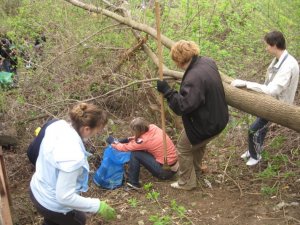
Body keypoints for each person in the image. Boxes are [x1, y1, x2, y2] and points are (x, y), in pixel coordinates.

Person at [156, 40, 229, 190]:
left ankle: (187, 182)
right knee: (197, 144)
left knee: (183, 147)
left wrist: (168, 92)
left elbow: (183, 106)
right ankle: (195, 171)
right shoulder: (207, 62)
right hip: (219, 118)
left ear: (178, 60)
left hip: (207, 123)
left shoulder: (194, 77)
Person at [30, 103, 116, 225]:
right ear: (86, 129)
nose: (97, 133)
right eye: (97, 130)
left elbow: (34, 151)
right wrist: (97, 205)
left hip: (37, 189)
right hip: (50, 203)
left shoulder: (57, 125)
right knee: (79, 219)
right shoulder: (73, 156)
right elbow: (64, 197)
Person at [231, 31, 299, 166]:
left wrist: (246, 84)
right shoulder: (279, 59)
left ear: (274, 45)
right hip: (270, 100)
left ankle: (255, 156)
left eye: (267, 45)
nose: (266, 48)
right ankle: (253, 150)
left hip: (279, 106)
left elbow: (273, 89)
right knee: (259, 128)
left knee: (254, 129)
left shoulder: (288, 65)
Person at [107, 117, 178, 190]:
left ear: (137, 131)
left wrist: (113, 143)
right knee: (142, 150)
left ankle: (133, 183)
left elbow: (124, 148)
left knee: (135, 154)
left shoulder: (144, 141)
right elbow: (140, 137)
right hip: (174, 167)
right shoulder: (153, 127)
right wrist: (128, 139)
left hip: (166, 172)